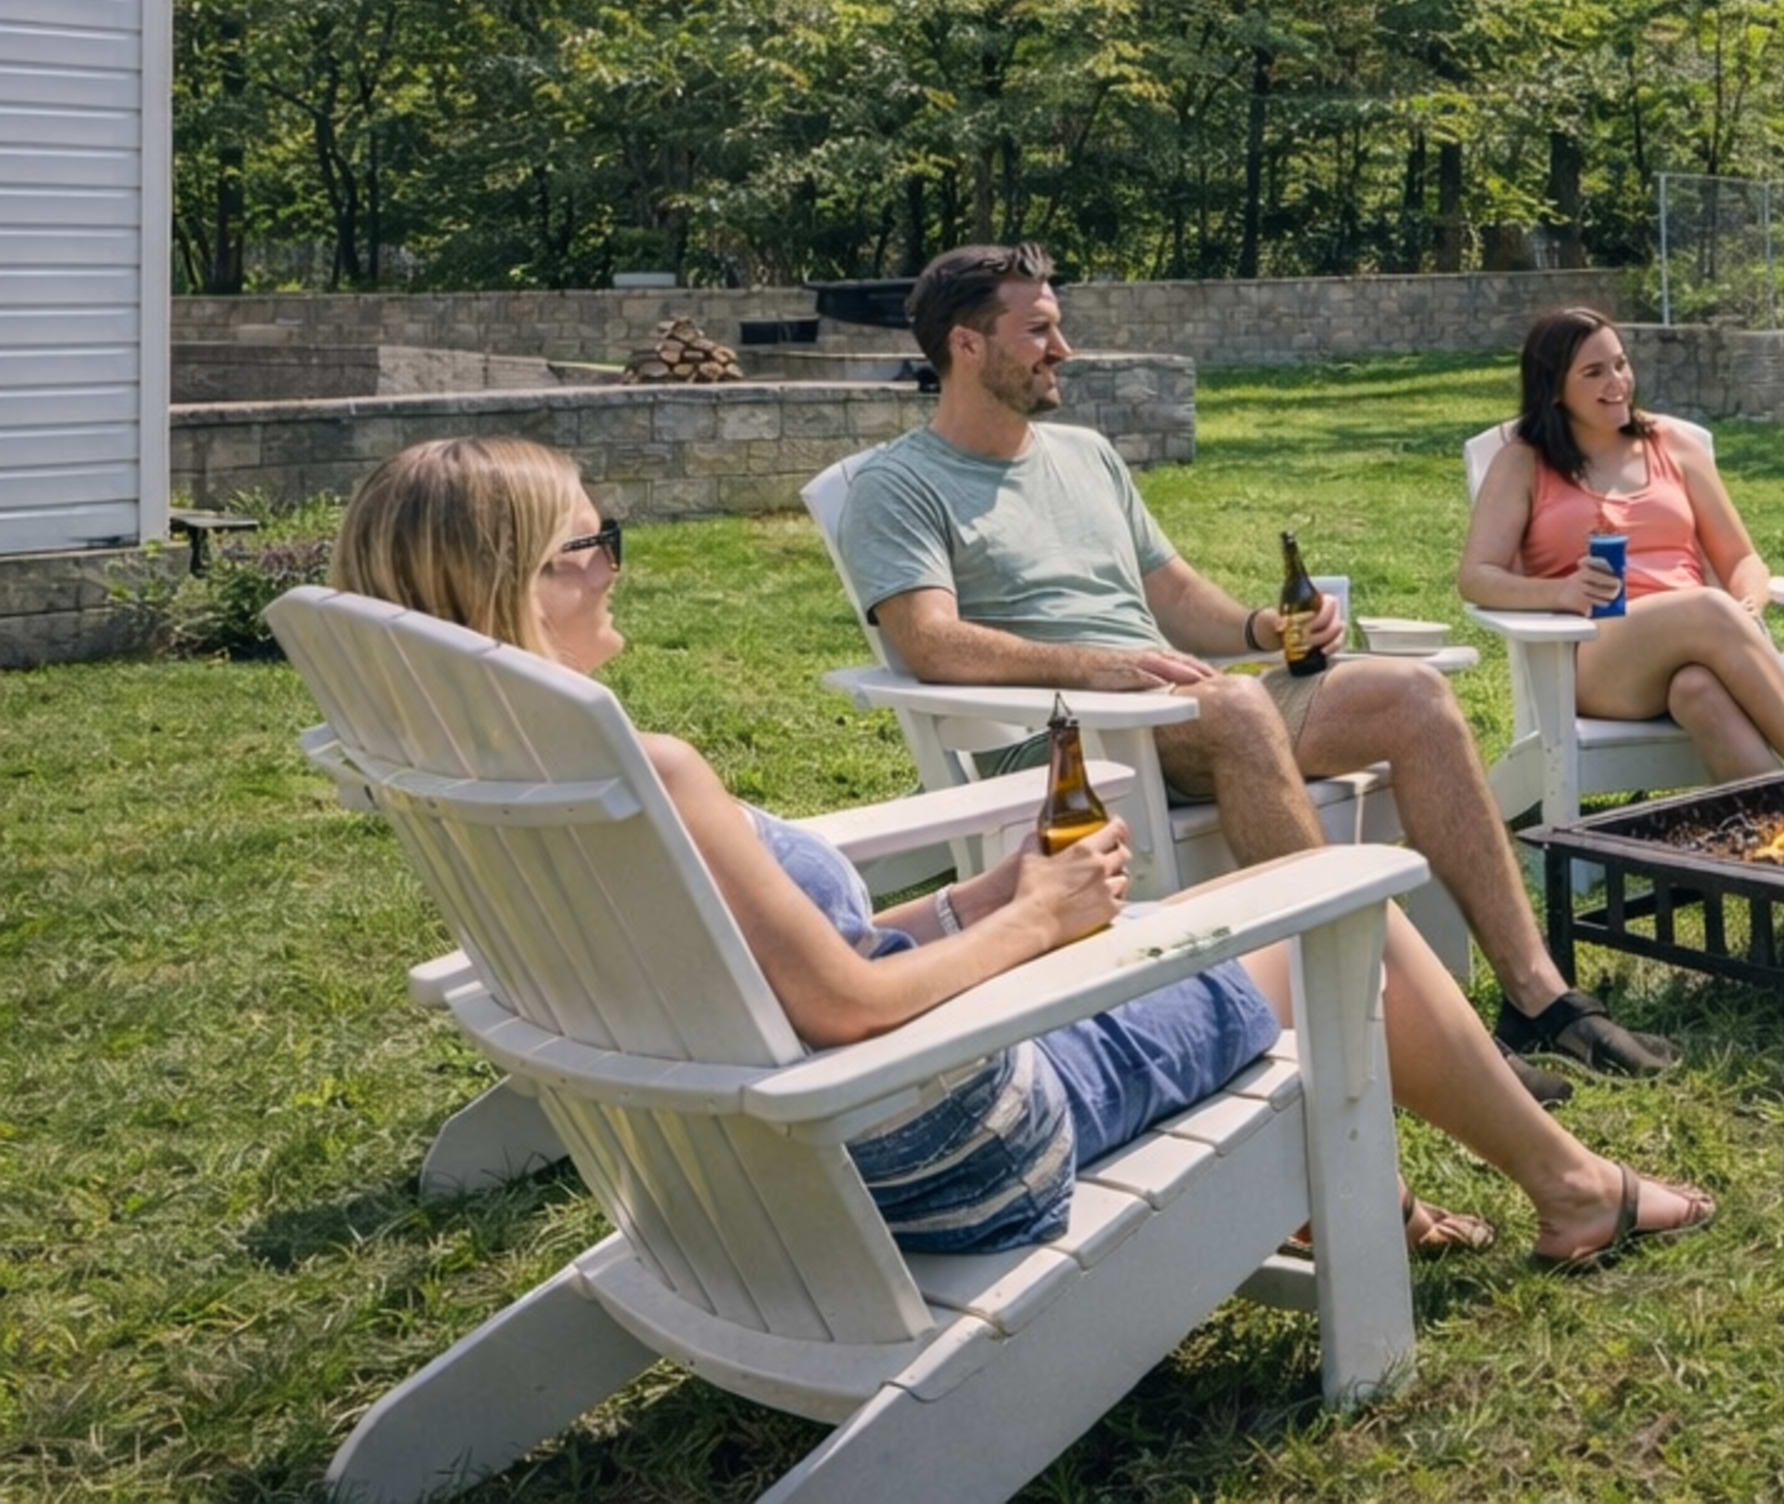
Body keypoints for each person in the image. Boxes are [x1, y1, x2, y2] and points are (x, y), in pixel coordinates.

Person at [334, 437, 1713, 1264]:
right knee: (1332, 917)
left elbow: (805, 972)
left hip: (772, 1176)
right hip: (951, 1148)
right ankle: (1576, 1189)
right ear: (527, 582)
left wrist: (977, 898)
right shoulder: (657, 776)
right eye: (598, 543)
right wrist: (1035, 921)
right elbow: (841, 1005)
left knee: (1297, 886)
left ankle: (1400, 1169)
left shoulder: (494, 774)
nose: (619, 565)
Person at [839, 245, 1682, 1089]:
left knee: (1413, 695)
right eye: (1039, 331)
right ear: (967, 345)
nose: (1064, 348)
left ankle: (1537, 998)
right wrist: (1090, 668)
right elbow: (929, 640)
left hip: (1177, 708)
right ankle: (1381, 1017)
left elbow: (1172, 595)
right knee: (1238, 709)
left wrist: (1265, 625)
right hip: (1060, 747)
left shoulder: (1084, 456)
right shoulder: (900, 484)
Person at [1457, 308, 1784, 782]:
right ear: (1553, 388)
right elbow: (1476, 576)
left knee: (1698, 690)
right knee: (1710, 610)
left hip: (1711, 641)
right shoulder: (1524, 462)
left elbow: (1742, 558)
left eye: (1620, 364)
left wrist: (1747, 608)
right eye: (1593, 372)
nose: (1617, 382)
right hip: (1596, 656)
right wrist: (1561, 592)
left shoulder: (1671, 444)